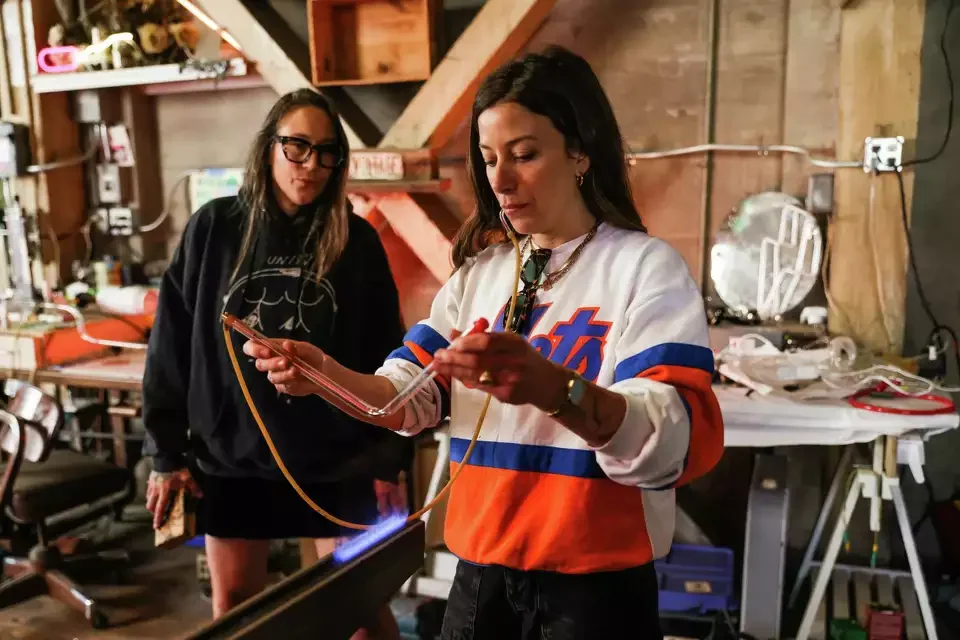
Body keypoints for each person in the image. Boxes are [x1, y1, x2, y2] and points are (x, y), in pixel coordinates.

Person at [245, 47, 725, 639]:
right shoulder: (481, 276)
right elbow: (405, 398)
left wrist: (553, 388)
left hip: (595, 583)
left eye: (524, 155)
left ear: (580, 152)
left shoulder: (643, 269)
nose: (499, 180)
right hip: (479, 574)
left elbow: (673, 441)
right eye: (489, 158)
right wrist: (328, 375)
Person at [141, 88, 409, 638]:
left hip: (336, 458)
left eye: (327, 152)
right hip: (232, 455)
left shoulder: (354, 239)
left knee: (359, 610)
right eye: (297, 147)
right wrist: (166, 453)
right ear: (269, 148)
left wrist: (389, 458)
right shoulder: (214, 228)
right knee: (237, 610)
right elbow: (170, 343)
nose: (311, 165)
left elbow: (387, 351)